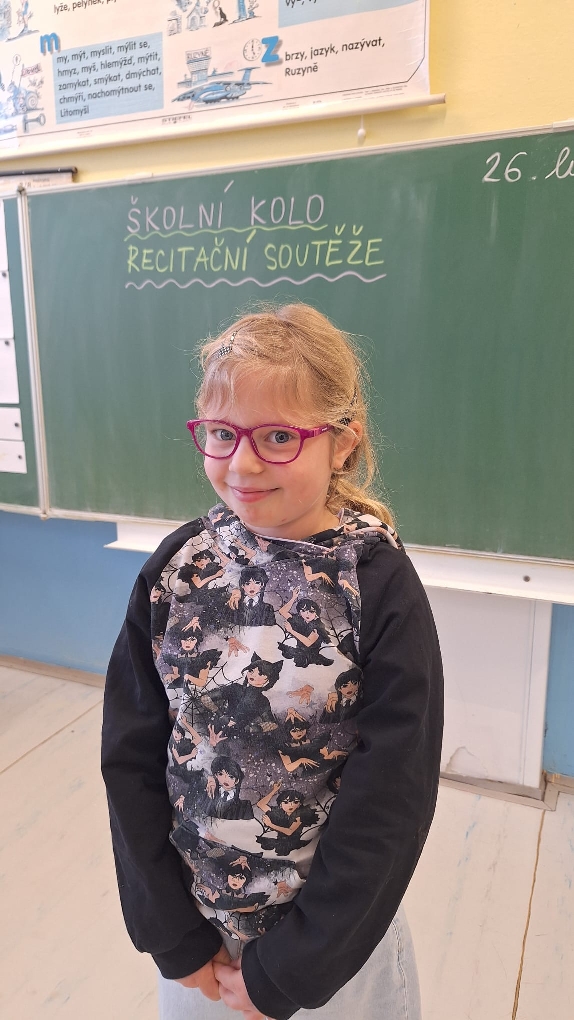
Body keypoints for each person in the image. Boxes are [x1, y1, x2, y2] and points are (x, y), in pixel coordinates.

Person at [101, 303, 443, 1020]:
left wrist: (295, 967)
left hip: (332, 954)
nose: (243, 463)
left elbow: (393, 797)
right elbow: (130, 754)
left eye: (279, 436)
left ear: (343, 443)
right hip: (202, 941)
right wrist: (171, 932)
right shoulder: (178, 569)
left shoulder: (374, 584)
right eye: (222, 434)